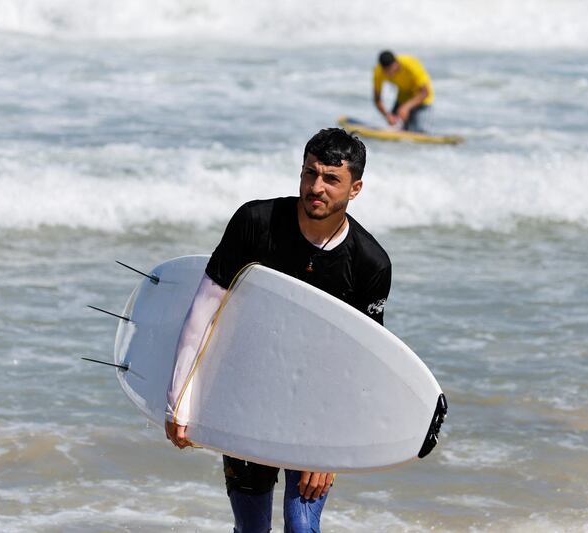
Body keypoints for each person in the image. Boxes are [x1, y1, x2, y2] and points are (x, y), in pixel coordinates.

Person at [164, 128, 392, 532]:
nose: (315, 187)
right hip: (246, 393)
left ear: (355, 188)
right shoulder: (256, 222)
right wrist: (178, 397)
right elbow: (204, 309)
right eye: (309, 173)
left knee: (301, 526)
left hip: (317, 409)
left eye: (330, 179)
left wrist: (331, 450)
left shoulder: (370, 263)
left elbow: (358, 365)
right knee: (251, 528)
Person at [373, 50, 435, 133]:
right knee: (397, 130)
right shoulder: (379, 71)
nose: (389, 74)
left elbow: (425, 92)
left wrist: (406, 107)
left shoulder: (411, 65)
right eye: (386, 72)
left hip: (422, 100)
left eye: (390, 70)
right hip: (403, 99)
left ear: (396, 63)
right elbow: (377, 99)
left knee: (420, 132)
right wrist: (387, 115)